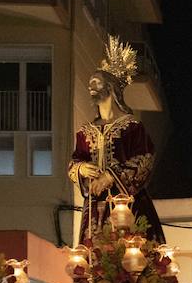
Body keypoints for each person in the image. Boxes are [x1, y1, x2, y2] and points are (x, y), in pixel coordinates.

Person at [69, 36, 164, 246]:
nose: (90, 86)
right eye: (90, 83)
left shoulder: (132, 127)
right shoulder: (85, 132)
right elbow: (74, 162)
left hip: (129, 204)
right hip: (95, 208)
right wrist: (81, 169)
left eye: (96, 81)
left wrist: (111, 176)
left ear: (111, 87)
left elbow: (145, 158)